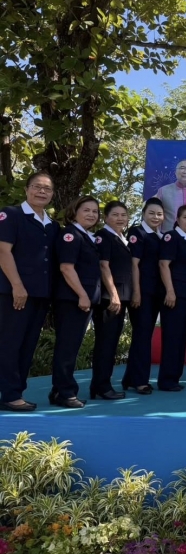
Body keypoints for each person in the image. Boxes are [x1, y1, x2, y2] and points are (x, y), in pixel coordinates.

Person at [0, 172, 59, 411]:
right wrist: (17, 285)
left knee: (27, 345)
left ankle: (17, 392)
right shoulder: (11, 214)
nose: (42, 192)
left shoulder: (52, 225)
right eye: (37, 187)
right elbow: (3, 251)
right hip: (14, 292)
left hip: (40, 295)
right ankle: (9, 395)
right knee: (10, 343)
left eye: (47, 189)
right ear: (26, 189)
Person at [51, 196, 103, 409]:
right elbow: (66, 267)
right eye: (86, 210)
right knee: (67, 346)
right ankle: (64, 392)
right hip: (72, 299)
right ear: (74, 211)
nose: (91, 214)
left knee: (71, 346)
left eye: (95, 211)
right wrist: (82, 294)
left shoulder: (86, 236)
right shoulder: (71, 234)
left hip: (83, 300)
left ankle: (59, 390)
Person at [123, 197, 165, 395]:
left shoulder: (161, 236)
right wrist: (137, 292)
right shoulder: (137, 233)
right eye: (151, 213)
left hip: (156, 293)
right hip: (142, 293)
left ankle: (130, 378)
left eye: (159, 214)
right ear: (143, 214)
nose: (155, 217)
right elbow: (134, 264)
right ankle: (140, 381)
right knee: (142, 335)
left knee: (144, 335)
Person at [90, 201, 131, 401]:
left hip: (121, 297)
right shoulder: (103, 236)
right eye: (115, 214)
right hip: (109, 298)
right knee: (105, 343)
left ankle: (101, 384)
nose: (120, 218)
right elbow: (103, 266)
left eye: (123, 215)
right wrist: (113, 294)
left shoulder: (121, 238)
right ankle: (102, 386)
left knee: (111, 342)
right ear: (106, 217)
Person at [157, 204, 186, 392]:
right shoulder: (171, 237)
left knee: (182, 337)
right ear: (178, 219)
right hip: (174, 296)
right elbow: (163, 264)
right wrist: (170, 291)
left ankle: (174, 377)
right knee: (172, 337)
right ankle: (166, 380)